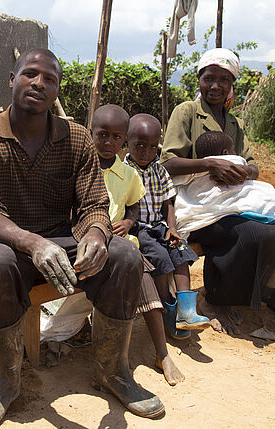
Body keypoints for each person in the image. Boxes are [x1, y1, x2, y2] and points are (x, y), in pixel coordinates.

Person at [0, 49, 164, 428]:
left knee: (125, 255)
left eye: (49, 79)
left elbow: (94, 203)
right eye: (30, 74)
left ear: (56, 91)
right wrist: (33, 243)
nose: (39, 83)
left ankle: (112, 371)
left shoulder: (76, 138)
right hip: (10, 245)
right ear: (12, 79)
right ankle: (5, 381)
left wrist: (97, 234)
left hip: (63, 244)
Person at [161, 48, 275, 334]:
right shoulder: (187, 112)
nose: (215, 86)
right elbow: (168, 163)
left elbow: (252, 165)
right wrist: (210, 164)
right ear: (199, 80)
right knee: (249, 233)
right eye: (209, 78)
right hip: (199, 205)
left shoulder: (234, 122)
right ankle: (214, 299)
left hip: (231, 202)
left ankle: (267, 294)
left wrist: (240, 171)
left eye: (223, 80)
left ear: (231, 84)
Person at [91, 104, 184, 386]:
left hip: (122, 242)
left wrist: (129, 223)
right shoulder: (84, 165)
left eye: (116, 137)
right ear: (91, 134)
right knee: (136, 268)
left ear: (123, 142)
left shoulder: (128, 174)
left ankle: (160, 353)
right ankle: (118, 361)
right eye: (102, 135)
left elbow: (133, 209)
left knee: (140, 271)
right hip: (90, 240)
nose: (108, 142)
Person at [123, 113, 210, 341]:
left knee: (180, 251)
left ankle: (186, 309)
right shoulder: (124, 172)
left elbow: (167, 203)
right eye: (139, 145)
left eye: (152, 147)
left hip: (159, 226)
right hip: (138, 229)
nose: (146, 152)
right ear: (127, 142)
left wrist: (172, 228)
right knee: (160, 257)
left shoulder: (159, 170)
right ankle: (167, 307)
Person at [173, 131, 275, 237]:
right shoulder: (233, 161)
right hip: (227, 218)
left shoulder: (236, 124)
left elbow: (253, 168)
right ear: (225, 152)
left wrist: (245, 172)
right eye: (233, 151)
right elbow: (168, 164)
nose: (235, 154)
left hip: (208, 214)